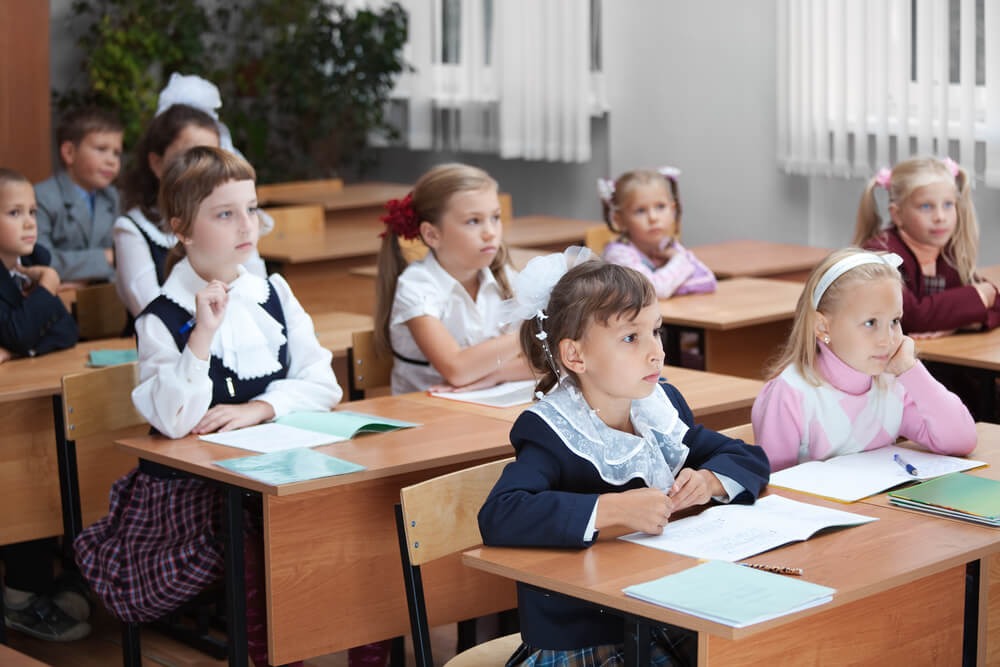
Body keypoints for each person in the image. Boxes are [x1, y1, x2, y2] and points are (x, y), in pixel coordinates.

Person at [74, 147, 341, 667]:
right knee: (260, 541)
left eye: (251, 208)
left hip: (269, 474)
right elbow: (173, 420)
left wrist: (260, 408)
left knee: (343, 523)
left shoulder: (274, 294)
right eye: (224, 214)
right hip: (193, 497)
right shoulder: (161, 317)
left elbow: (323, 384)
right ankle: (272, 657)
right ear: (181, 228)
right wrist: (202, 335)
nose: (246, 224)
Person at [477, 250, 769, 665]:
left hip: (664, 613)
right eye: (632, 338)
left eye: (657, 331)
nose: (656, 352)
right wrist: (611, 509)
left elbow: (746, 456)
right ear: (575, 356)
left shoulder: (659, 407)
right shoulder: (550, 430)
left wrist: (708, 481)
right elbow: (501, 513)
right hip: (586, 637)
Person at [751, 247, 977, 472]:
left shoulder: (892, 382)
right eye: (870, 323)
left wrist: (911, 370)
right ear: (822, 327)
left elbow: (961, 441)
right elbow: (774, 483)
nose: (887, 339)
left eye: (895, 321)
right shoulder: (791, 393)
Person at [0, 167, 89, 642]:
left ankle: (54, 580)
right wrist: (50, 285)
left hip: (27, 398)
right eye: (15, 213)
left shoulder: (28, 268)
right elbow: (19, 328)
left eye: (32, 211)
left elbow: (64, 332)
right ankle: (20, 597)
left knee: (51, 466)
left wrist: (19, 348)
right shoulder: (31, 276)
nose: (30, 222)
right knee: (24, 476)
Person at [374, 162, 531, 394]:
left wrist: (497, 374)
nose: (490, 232)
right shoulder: (416, 286)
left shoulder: (504, 276)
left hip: (489, 404)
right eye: (473, 221)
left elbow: (554, 361)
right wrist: (531, 334)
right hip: (425, 411)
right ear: (432, 235)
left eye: (495, 217)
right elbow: (457, 370)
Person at [114, 103, 267, 318]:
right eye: (192, 156)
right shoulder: (132, 228)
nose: (205, 170)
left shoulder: (240, 223)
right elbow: (152, 311)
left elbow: (259, 292)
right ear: (157, 163)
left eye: (213, 156)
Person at [854, 156, 1000, 335]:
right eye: (926, 207)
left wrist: (957, 323)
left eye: (948, 204)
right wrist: (978, 299)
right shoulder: (881, 255)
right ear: (897, 215)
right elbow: (908, 317)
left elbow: (995, 302)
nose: (940, 217)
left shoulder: (948, 252)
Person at [34, 107, 123, 282]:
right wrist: (105, 258)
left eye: (116, 153)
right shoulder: (41, 197)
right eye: (101, 149)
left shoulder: (112, 197)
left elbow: (126, 259)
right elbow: (39, 260)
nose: (111, 161)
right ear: (69, 153)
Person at [598, 167, 716, 298]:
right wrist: (678, 260)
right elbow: (653, 291)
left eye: (660, 207)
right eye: (640, 211)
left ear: (672, 210)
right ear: (619, 220)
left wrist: (669, 283)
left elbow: (708, 279)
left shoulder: (666, 245)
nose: (653, 218)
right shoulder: (618, 254)